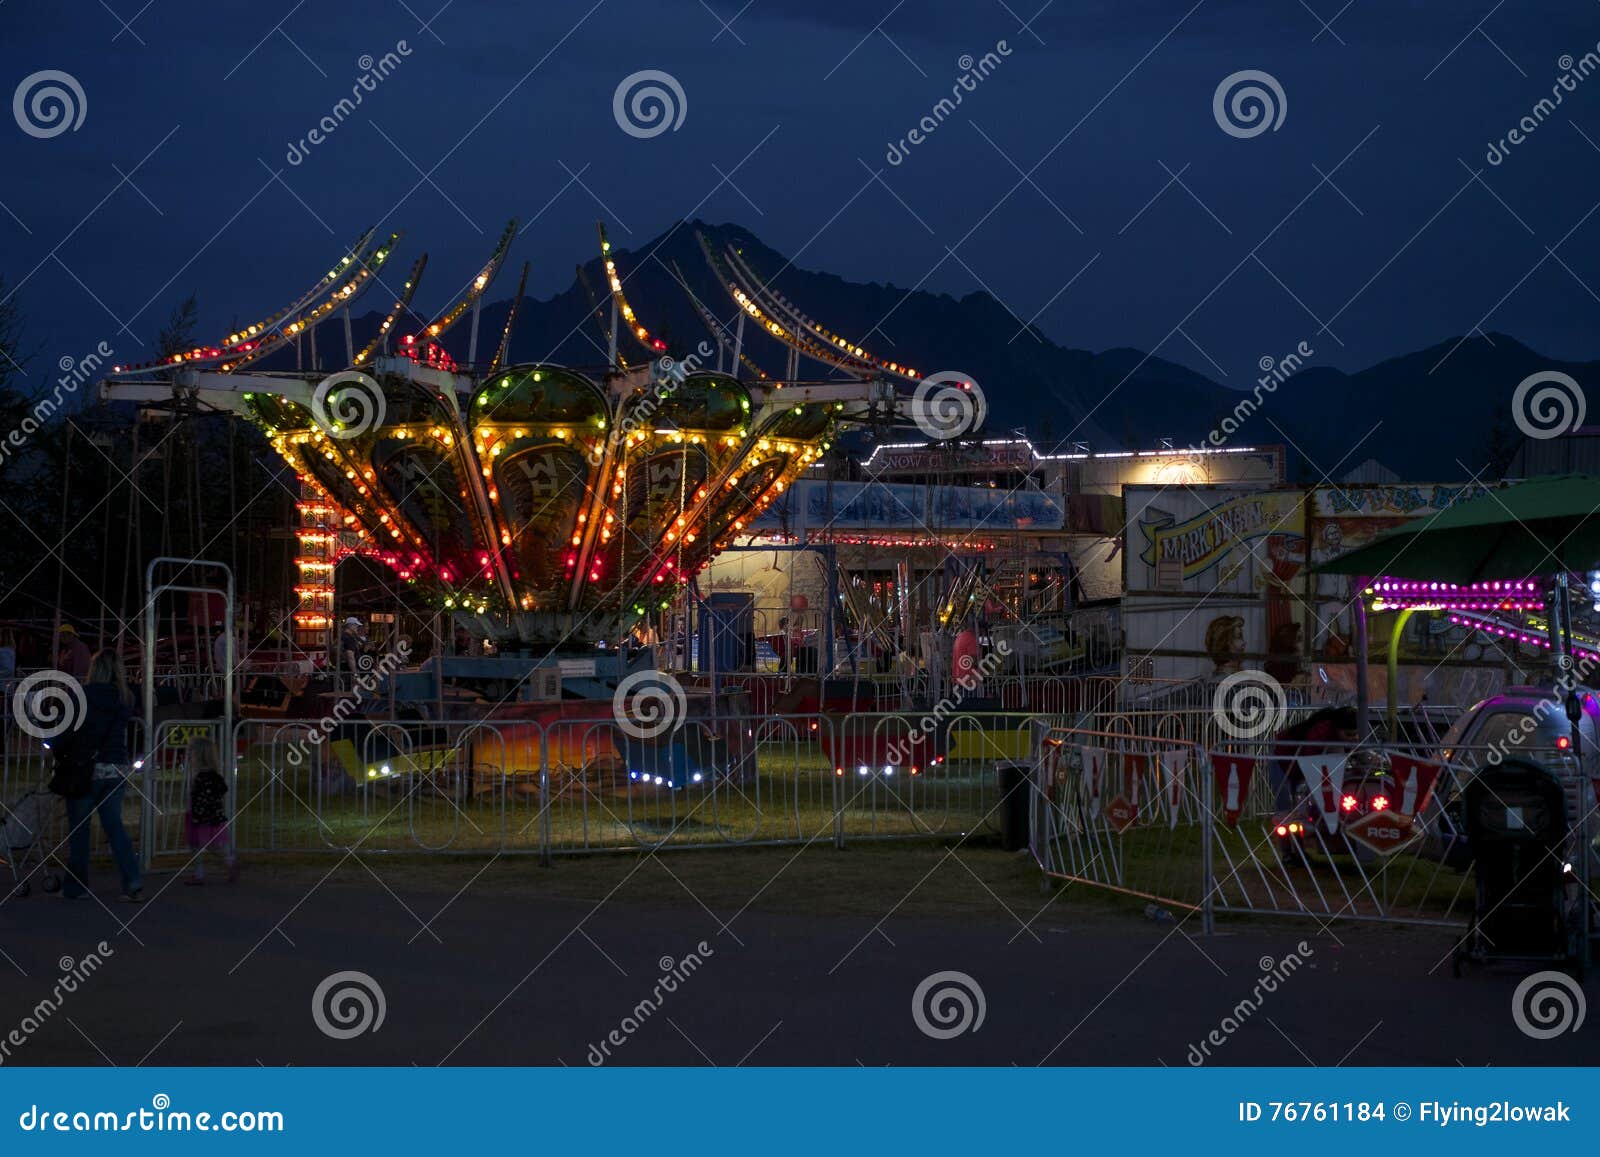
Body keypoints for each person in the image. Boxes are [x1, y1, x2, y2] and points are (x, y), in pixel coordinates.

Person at [60, 649, 141, 903]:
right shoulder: (125, 698)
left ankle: (77, 886)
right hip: (116, 767)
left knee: (79, 828)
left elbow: (67, 728)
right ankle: (132, 880)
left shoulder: (83, 696)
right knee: (114, 826)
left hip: (87, 768)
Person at [1268, 705, 1359, 811]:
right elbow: (1310, 758)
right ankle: (1284, 822)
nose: (1353, 738)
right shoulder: (1320, 732)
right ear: (1337, 728)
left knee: (1302, 800)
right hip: (1281, 758)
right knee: (1284, 800)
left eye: (1356, 734)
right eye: (1349, 734)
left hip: (1298, 762)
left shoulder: (1335, 734)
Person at [183, 736, 237, 886]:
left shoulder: (200, 778)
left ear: (198, 756)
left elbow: (195, 796)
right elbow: (222, 790)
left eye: (190, 753)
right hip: (214, 816)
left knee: (195, 845)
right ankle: (229, 861)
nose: (188, 756)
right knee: (214, 845)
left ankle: (199, 873)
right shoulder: (215, 776)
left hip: (199, 817)